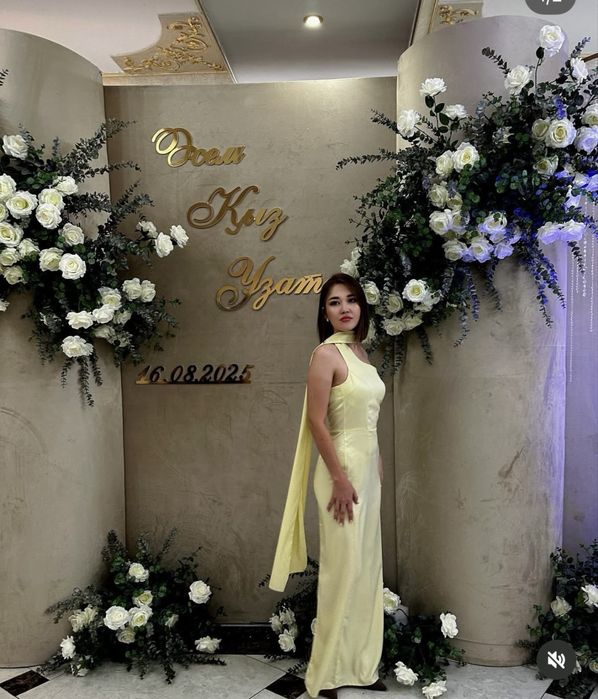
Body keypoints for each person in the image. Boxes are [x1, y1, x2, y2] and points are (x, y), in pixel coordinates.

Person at [269, 273, 387, 698]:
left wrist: (377, 466)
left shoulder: (361, 353)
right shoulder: (325, 355)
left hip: (366, 472)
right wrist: (339, 478)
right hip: (341, 473)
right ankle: (327, 674)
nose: (345, 308)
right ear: (325, 313)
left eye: (351, 300)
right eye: (335, 302)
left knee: (366, 569)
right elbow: (318, 422)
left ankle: (361, 666)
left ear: (361, 307)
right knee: (342, 570)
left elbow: (367, 420)